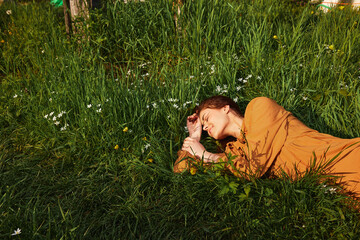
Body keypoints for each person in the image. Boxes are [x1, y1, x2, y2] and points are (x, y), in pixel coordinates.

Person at [174, 96, 360, 198]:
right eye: (203, 125)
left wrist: (207, 155)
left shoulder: (259, 108)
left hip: (344, 157)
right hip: (338, 186)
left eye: (206, 118)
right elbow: (181, 174)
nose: (205, 126)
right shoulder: (234, 152)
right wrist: (194, 136)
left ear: (225, 108)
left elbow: (253, 167)